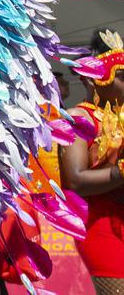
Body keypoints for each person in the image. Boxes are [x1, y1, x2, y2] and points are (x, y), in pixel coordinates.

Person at [60, 29, 124, 294]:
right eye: (123, 76)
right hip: (101, 228)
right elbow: (75, 180)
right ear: (98, 79)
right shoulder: (79, 118)